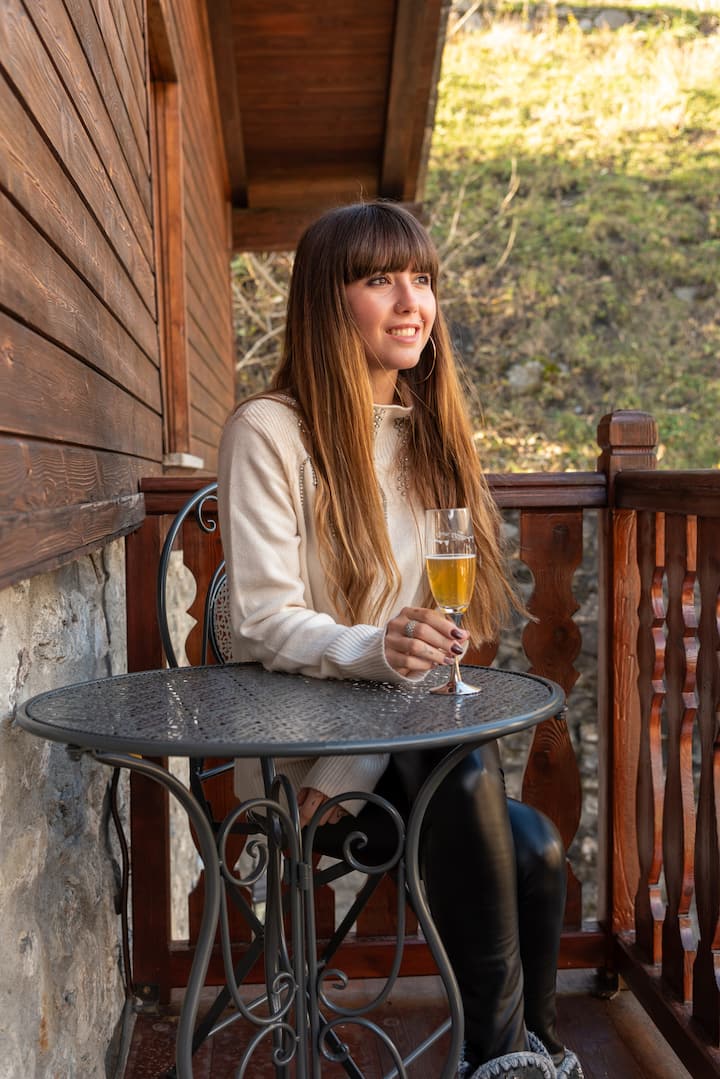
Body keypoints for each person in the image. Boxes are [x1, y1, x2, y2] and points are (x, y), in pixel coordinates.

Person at [217, 201, 583, 1079]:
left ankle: (518, 1057)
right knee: (467, 757)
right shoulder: (268, 432)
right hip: (301, 757)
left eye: (422, 278)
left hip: (396, 748)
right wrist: (375, 668)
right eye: (379, 279)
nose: (411, 301)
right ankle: (508, 1061)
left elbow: (433, 645)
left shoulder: (428, 435)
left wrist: (392, 680)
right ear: (326, 300)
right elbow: (260, 619)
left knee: (537, 844)